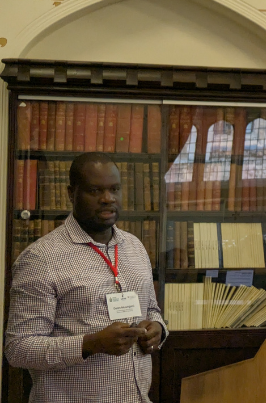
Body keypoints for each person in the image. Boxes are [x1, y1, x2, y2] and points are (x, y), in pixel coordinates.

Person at [5, 152, 167, 403]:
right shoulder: (41, 258)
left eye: (114, 189)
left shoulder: (135, 247)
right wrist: (90, 344)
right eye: (95, 191)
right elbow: (19, 350)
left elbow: (152, 310)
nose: (107, 199)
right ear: (72, 194)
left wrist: (158, 329)